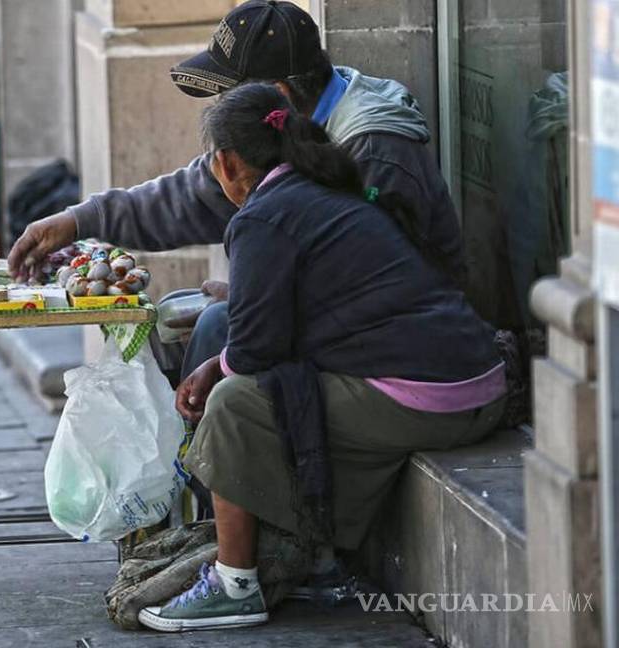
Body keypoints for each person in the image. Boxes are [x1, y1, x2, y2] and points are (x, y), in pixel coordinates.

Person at [133, 83, 505, 633]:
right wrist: (223, 358)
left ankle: (235, 583)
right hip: (477, 383)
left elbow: (256, 352)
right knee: (270, 383)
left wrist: (215, 369)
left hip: (433, 396)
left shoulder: (264, 216)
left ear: (226, 163)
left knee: (236, 403)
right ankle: (316, 556)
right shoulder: (326, 188)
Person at [7, 0, 464, 381]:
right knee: (168, 325)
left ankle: (217, 484)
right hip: (334, 315)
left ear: (276, 93)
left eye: (228, 96)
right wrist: (80, 220)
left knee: (215, 334)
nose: (220, 108)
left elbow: (387, 281)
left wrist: (265, 299)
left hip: (403, 347)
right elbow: (193, 194)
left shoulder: (374, 147)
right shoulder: (280, 128)